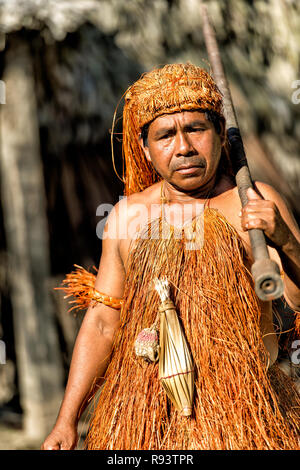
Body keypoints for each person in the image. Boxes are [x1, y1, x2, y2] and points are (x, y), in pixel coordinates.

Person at [41, 63, 300, 450]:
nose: (183, 147)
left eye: (196, 129)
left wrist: (285, 240)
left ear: (219, 134)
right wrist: (66, 420)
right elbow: (101, 323)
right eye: (166, 135)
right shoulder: (128, 217)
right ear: (145, 148)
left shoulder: (253, 204)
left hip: (242, 415)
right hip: (142, 422)